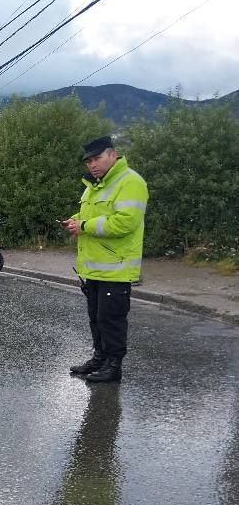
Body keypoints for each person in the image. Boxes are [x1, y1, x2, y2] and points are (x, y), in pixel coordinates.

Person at [61, 136, 148, 383]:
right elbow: (90, 213)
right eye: (88, 161)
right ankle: (99, 358)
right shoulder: (95, 185)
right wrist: (75, 219)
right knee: (96, 318)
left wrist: (84, 225)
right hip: (94, 268)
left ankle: (113, 365)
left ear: (113, 155)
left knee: (112, 320)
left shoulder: (130, 181)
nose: (92, 164)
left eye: (97, 158)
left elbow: (125, 221)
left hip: (116, 267)